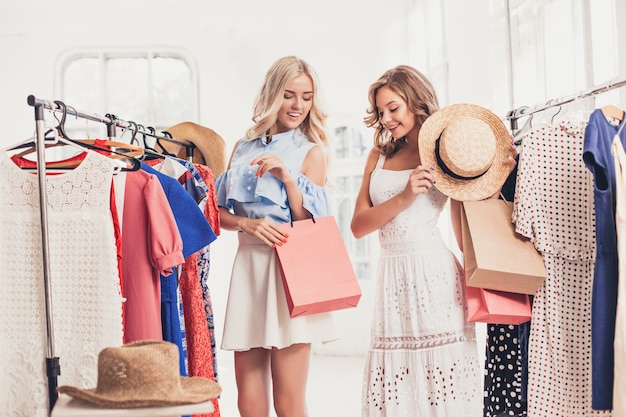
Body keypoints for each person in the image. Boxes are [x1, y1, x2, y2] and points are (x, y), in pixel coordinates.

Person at [351, 65, 514, 416]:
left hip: (434, 276)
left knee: (443, 387)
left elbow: (463, 224)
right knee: (397, 387)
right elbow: (358, 226)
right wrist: (404, 196)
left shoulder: (444, 153)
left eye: (393, 108)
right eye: (381, 111)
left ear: (415, 101)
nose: (386, 118)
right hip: (392, 278)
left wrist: (499, 174)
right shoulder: (378, 155)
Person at [215, 55, 338, 417]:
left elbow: (309, 224)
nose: (298, 105)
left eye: (306, 96)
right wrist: (247, 224)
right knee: (248, 402)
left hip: (289, 271)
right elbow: (218, 214)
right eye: (289, 94)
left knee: (289, 401)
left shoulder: (311, 152)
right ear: (272, 94)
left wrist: (287, 178)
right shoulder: (242, 147)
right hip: (248, 268)